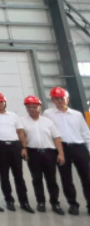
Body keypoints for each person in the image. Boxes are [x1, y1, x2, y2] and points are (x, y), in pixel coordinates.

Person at [44, 86, 90, 216]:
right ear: (52, 100)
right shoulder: (48, 114)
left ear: (67, 99)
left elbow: (85, 133)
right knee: (66, 178)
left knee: (86, 177)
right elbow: (48, 132)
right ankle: (73, 204)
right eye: (56, 99)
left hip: (79, 147)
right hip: (62, 149)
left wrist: (89, 149)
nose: (60, 101)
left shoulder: (77, 115)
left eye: (62, 98)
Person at [0, 92, 33, 213]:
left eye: (1, 101)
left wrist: (24, 147)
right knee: (4, 175)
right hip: (0, 146)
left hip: (15, 146)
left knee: (19, 175)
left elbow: (20, 132)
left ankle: (24, 202)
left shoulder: (13, 116)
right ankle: (9, 200)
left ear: (5, 102)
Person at [20, 95, 65, 215]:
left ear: (39, 106)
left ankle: (55, 203)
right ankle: (41, 202)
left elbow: (56, 138)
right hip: (32, 153)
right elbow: (21, 136)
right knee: (37, 179)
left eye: (34, 107)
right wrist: (23, 148)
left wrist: (60, 154)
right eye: (29, 107)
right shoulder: (22, 121)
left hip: (49, 153)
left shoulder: (48, 122)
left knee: (51, 180)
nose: (32, 109)